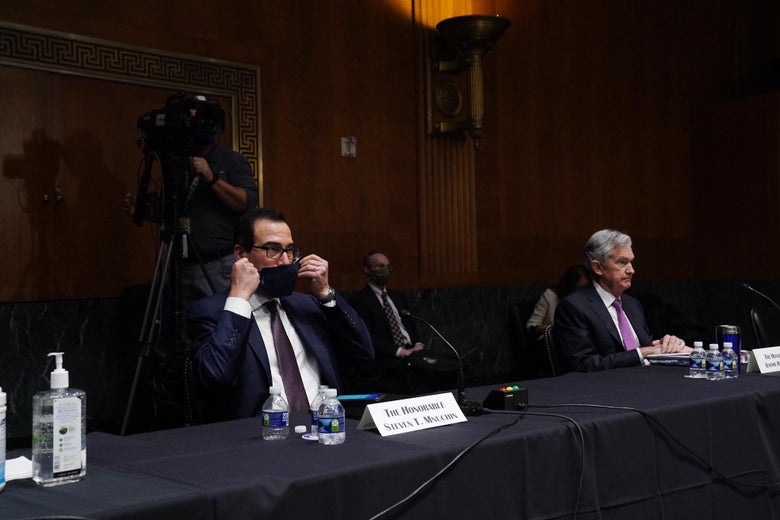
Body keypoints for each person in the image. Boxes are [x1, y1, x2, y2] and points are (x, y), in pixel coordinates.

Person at [187, 208, 374, 421]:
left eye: (291, 250)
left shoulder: (307, 305)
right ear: (241, 254)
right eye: (272, 249)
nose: (286, 261)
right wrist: (239, 299)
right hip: (259, 439)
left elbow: (364, 354)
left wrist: (325, 293)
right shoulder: (212, 312)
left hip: (325, 429)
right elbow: (216, 377)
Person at [125, 95, 259, 311]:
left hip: (220, 264)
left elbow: (247, 203)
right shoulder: (176, 163)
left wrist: (211, 177)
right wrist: (147, 211)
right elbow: (174, 210)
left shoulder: (232, 160)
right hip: (182, 265)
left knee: (223, 322)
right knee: (189, 326)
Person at [553, 229, 690, 372]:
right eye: (622, 262)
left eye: (631, 262)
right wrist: (643, 352)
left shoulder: (632, 304)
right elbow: (582, 364)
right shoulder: (574, 307)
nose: (631, 270)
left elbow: (647, 346)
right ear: (598, 267)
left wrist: (667, 345)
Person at [348, 252, 428, 394]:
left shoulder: (398, 296)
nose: (385, 270)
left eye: (387, 267)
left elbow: (412, 325)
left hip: (413, 354)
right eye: (380, 266)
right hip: (387, 359)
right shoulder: (360, 300)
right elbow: (367, 337)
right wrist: (400, 351)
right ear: (367, 269)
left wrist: (418, 344)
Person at [526, 265, 591, 338]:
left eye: (584, 289)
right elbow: (532, 326)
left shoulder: (586, 300)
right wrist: (552, 330)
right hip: (555, 342)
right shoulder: (550, 296)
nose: (580, 293)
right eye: (578, 288)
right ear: (569, 285)